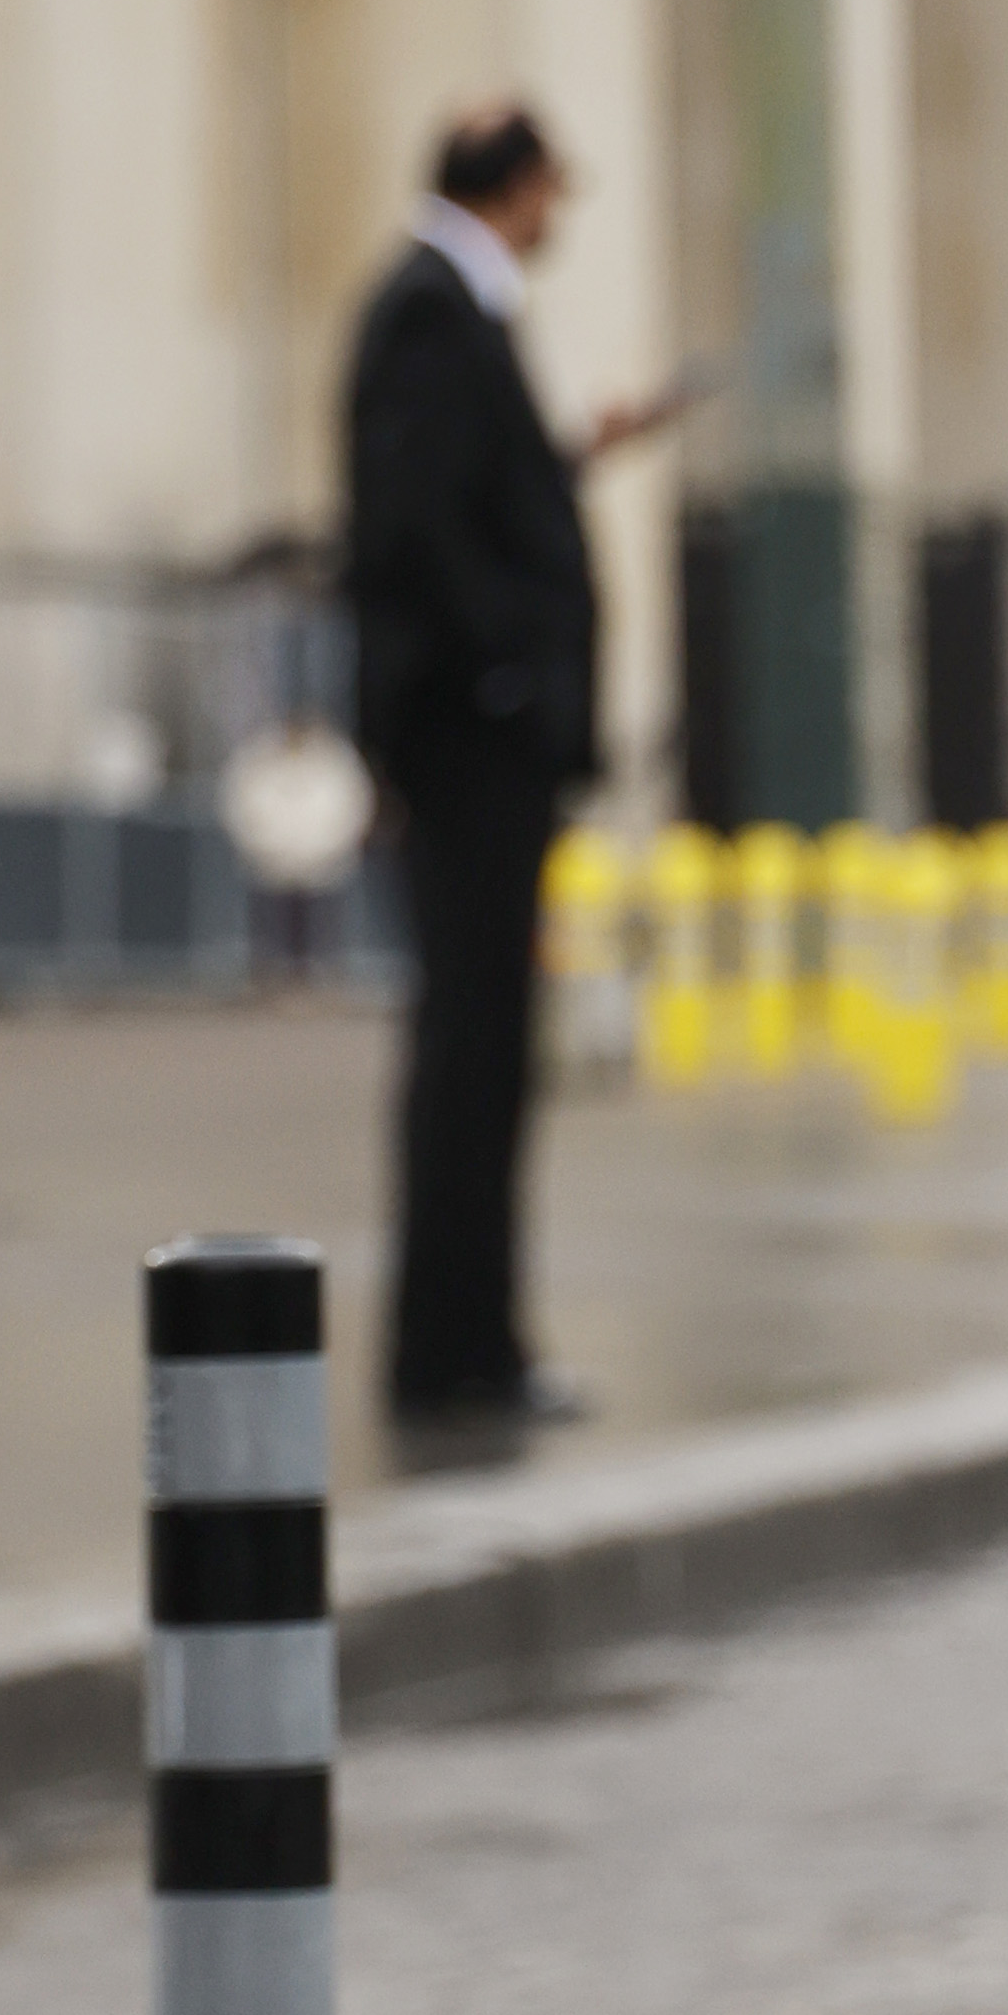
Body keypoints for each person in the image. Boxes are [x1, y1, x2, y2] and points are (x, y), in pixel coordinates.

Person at [341, 106, 651, 1437]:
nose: (554, 220)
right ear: (513, 188)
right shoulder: (430, 307)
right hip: (473, 739)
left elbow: (469, 490)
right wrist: (512, 672)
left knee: (486, 1051)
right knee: (472, 1053)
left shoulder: (455, 305)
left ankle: (472, 1342)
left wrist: (563, 458)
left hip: (483, 731)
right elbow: (409, 531)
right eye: (547, 194)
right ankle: (454, 1353)